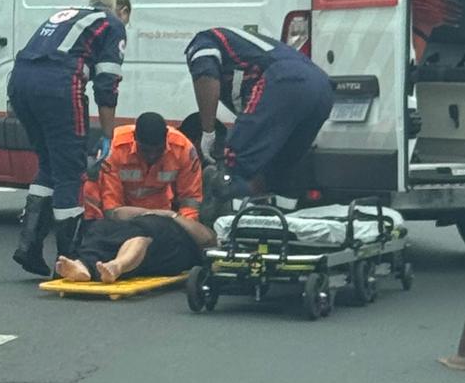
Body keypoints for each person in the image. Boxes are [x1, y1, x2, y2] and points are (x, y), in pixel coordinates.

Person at [8, 0, 132, 276]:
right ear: (123, 11)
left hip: (20, 82)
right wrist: (108, 134)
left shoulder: (69, 14)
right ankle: (70, 257)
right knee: (71, 172)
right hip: (58, 85)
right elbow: (107, 84)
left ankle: (29, 246)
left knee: (49, 164)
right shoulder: (112, 24)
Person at [184, 26, 334, 198]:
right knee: (276, 169)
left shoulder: (205, 40)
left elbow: (204, 74)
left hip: (286, 78)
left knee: (234, 162)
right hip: (322, 88)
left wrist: (208, 131)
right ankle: (264, 204)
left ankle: (225, 203)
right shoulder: (248, 59)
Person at [83, 111, 202, 222]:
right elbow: (112, 208)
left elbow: (190, 198)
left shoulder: (183, 149)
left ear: (167, 136)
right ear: (134, 136)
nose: (152, 156)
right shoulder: (114, 148)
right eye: (145, 151)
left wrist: (186, 226)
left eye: (158, 150)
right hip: (125, 215)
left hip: (163, 215)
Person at [54, 208, 215, 284]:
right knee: (100, 228)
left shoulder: (190, 221)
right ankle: (83, 266)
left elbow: (208, 239)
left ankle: (117, 265)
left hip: (170, 241)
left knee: (142, 237)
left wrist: (171, 215)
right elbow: (117, 212)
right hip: (138, 222)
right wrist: (152, 211)